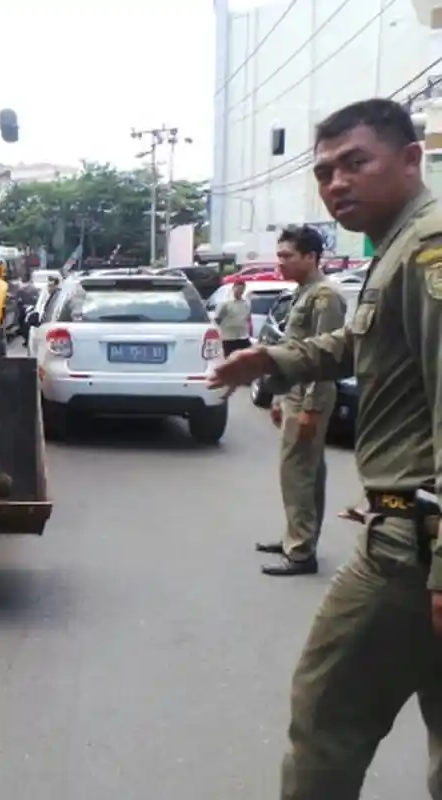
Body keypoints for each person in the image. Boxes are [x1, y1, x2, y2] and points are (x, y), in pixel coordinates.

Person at [208, 98, 442, 799]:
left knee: (325, 718)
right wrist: (272, 362)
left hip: (412, 548)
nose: (336, 182)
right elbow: (360, 343)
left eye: (355, 163)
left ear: (412, 158)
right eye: (324, 171)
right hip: (414, 536)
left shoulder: (429, 249)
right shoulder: (399, 247)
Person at [256, 225, 348, 576]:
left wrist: (310, 407)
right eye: (279, 255)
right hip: (294, 394)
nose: (280, 263)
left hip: (311, 396)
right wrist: (280, 398)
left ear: (310, 257)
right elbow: (292, 352)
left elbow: (326, 357)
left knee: (299, 473)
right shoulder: (303, 292)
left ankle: (300, 551)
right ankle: (296, 537)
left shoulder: (326, 296)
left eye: (287, 256)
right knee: (303, 471)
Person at [213, 281, 252, 356]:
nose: (240, 291)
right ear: (233, 288)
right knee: (230, 359)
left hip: (242, 336)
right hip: (229, 337)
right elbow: (217, 319)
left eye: (242, 289)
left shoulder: (245, 303)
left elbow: (247, 318)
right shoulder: (226, 303)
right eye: (238, 289)